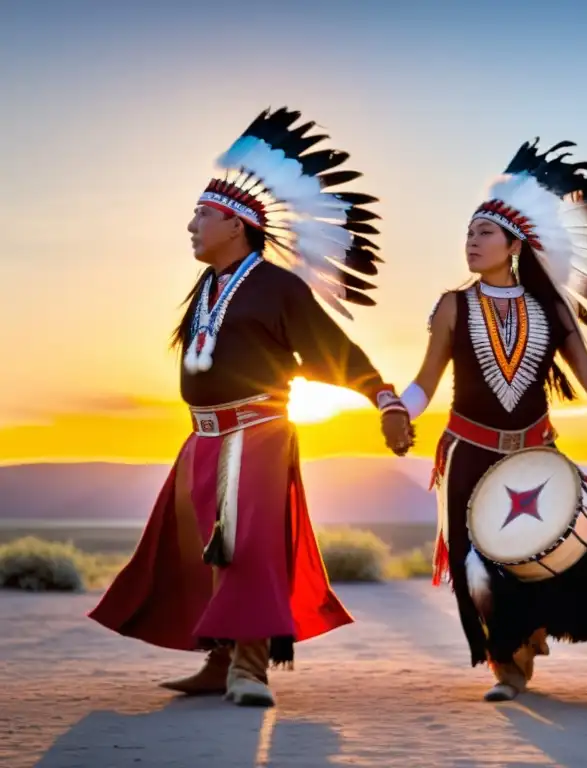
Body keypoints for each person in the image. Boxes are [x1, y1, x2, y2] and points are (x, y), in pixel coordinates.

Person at [88, 107, 410, 707]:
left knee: (244, 544)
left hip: (258, 434)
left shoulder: (278, 286)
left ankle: (250, 669)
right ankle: (218, 660)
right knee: (197, 549)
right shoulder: (208, 287)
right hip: (203, 438)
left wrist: (384, 399)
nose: (190, 226)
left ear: (236, 225)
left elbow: (331, 350)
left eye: (202, 216)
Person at [384, 138, 587, 701]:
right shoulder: (453, 305)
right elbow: (427, 378)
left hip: (534, 452)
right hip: (468, 453)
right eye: (468, 234)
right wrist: (398, 412)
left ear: (514, 244)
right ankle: (504, 663)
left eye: (483, 233)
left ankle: (528, 635)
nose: (471, 243)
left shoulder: (551, 308)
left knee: (546, 550)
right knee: (473, 561)